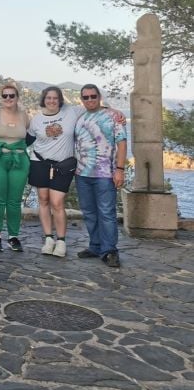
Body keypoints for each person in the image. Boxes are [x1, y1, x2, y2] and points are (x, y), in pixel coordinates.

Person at [74, 84, 127, 267]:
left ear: (99, 96)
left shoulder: (113, 116)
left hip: (105, 174)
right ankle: (95, 246)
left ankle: (110, 250)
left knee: (106, 213)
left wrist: (120, 169)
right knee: (89, 212)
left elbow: (121, 142)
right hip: (81, 174)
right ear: (82, 99)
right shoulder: (80, 117)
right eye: (86, 97)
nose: (90, 100)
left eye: (93, 96)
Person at [27, 86, 83, 258]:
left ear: (60, 100)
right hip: (39, 163)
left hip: (63, 166)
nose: (51, 101)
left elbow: (93, 107)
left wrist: (114, 112)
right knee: (43, 200)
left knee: (57, 203)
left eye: (55, 98)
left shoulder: (71, 112)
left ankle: (61, 240)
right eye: (48, 98)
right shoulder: (36, 119)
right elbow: (27, 140)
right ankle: (48, 238)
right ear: (44, 99)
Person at [0, 84, 30, 252]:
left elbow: (33, 132)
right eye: (5, 96)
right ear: (1, 98)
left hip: (19, 159)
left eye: (12, 95)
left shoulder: (24, 115)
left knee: (14, 200)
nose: (8, 99)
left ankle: (13, 236)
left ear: (17, 97)